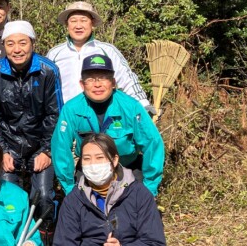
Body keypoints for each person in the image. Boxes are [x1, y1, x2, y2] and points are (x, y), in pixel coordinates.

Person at [0, 20, 62, 224]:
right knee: (7, 200)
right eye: (10, 44)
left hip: (40, 144)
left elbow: (55, 114)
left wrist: (47, 151)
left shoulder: (48, 71)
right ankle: (10, 243)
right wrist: (1, 151)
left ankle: (45, 243)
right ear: (4, 45)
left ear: (32, 43)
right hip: (7, 144)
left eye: (23, 43)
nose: (17, 49)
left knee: (43, 196)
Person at [51, 53, 165, 197]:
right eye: (91, 79)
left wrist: (150, 188)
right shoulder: (71, 109)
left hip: (126, 167)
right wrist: (69, 188)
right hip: (89, 170)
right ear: (82, 84)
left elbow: (153, 144)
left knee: (137, 213)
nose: (97, 84)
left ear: (113, 82)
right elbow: (60, 148)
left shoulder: (131, 107)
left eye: (104, 78)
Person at [46, 1, 152, 111]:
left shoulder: (108, 51)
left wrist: (143, 105)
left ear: (92, 24)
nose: (78, 26)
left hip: (102, 116)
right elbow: (44, 87)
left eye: (83, 20)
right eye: (73, 21)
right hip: (65, 116)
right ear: (67, 24)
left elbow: (127, 80)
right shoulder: (54, 54)